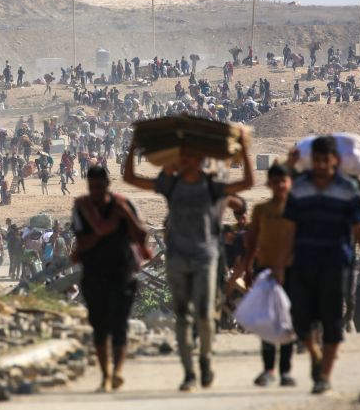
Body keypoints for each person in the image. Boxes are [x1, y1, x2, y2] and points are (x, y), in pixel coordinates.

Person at [123, 130, 254, 391]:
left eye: (192, 156)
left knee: (205, 315)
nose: (187, 160)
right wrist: (133, 147)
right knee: (182, 317)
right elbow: (130, 178)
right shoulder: (171, 184)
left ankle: (204, 359)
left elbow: (247, 182)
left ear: (200, 159)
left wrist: (243, 148)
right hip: (177, 258)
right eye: (183, 156)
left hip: (205, 257)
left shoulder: (212, 186)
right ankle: (188, 373)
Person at [277, 135, 360, 395]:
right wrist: (280, 263)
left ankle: (324, 376)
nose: (321, 165)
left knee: (332, 320)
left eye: (326, 160)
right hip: (303, 263)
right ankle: (313, 352)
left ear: (335, 160)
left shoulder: (348, 188)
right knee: (301, 320)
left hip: (336, 264)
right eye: (317, 160)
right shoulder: (299, 188)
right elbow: (289, 228)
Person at [72, 166, 152, 392]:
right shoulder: (82, 208)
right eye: (92, 187)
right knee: (99, 325)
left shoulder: (123, 205)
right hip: (94, 272)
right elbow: (81, 243)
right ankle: (105, 373)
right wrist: (102, 230)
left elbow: (141, 234)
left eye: (99, 186)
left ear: (107, 184)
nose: (95, 191)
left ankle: (116, 372)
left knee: (119, 324)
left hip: (122, 271)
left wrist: (124, 214)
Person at [234, 163, 295, 387]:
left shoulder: (297, 209)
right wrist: (248, 269)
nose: (279, 185)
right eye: (275, 181)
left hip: (291, 271)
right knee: (268, 321)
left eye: (283, 181)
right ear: (268, 184)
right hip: (265, 271)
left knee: (287, 321)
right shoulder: (261, 210)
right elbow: (252, 242)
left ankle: (286, 371)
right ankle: (269, 369)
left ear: (289, 183)